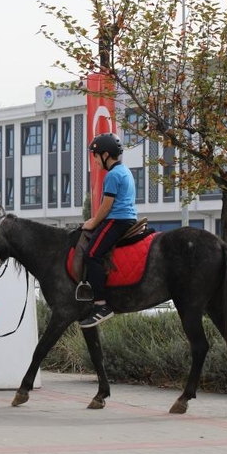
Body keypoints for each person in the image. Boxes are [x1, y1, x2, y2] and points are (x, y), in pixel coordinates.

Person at [79, 133, 137, 328]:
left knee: (91, 254)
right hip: (128, 219)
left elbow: (107, 205)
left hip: (118, 220)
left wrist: (93, 222)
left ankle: (101, 304)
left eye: (95, 156)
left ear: (105, 155)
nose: (94, 161)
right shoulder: (124, 171)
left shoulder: (112, 175)